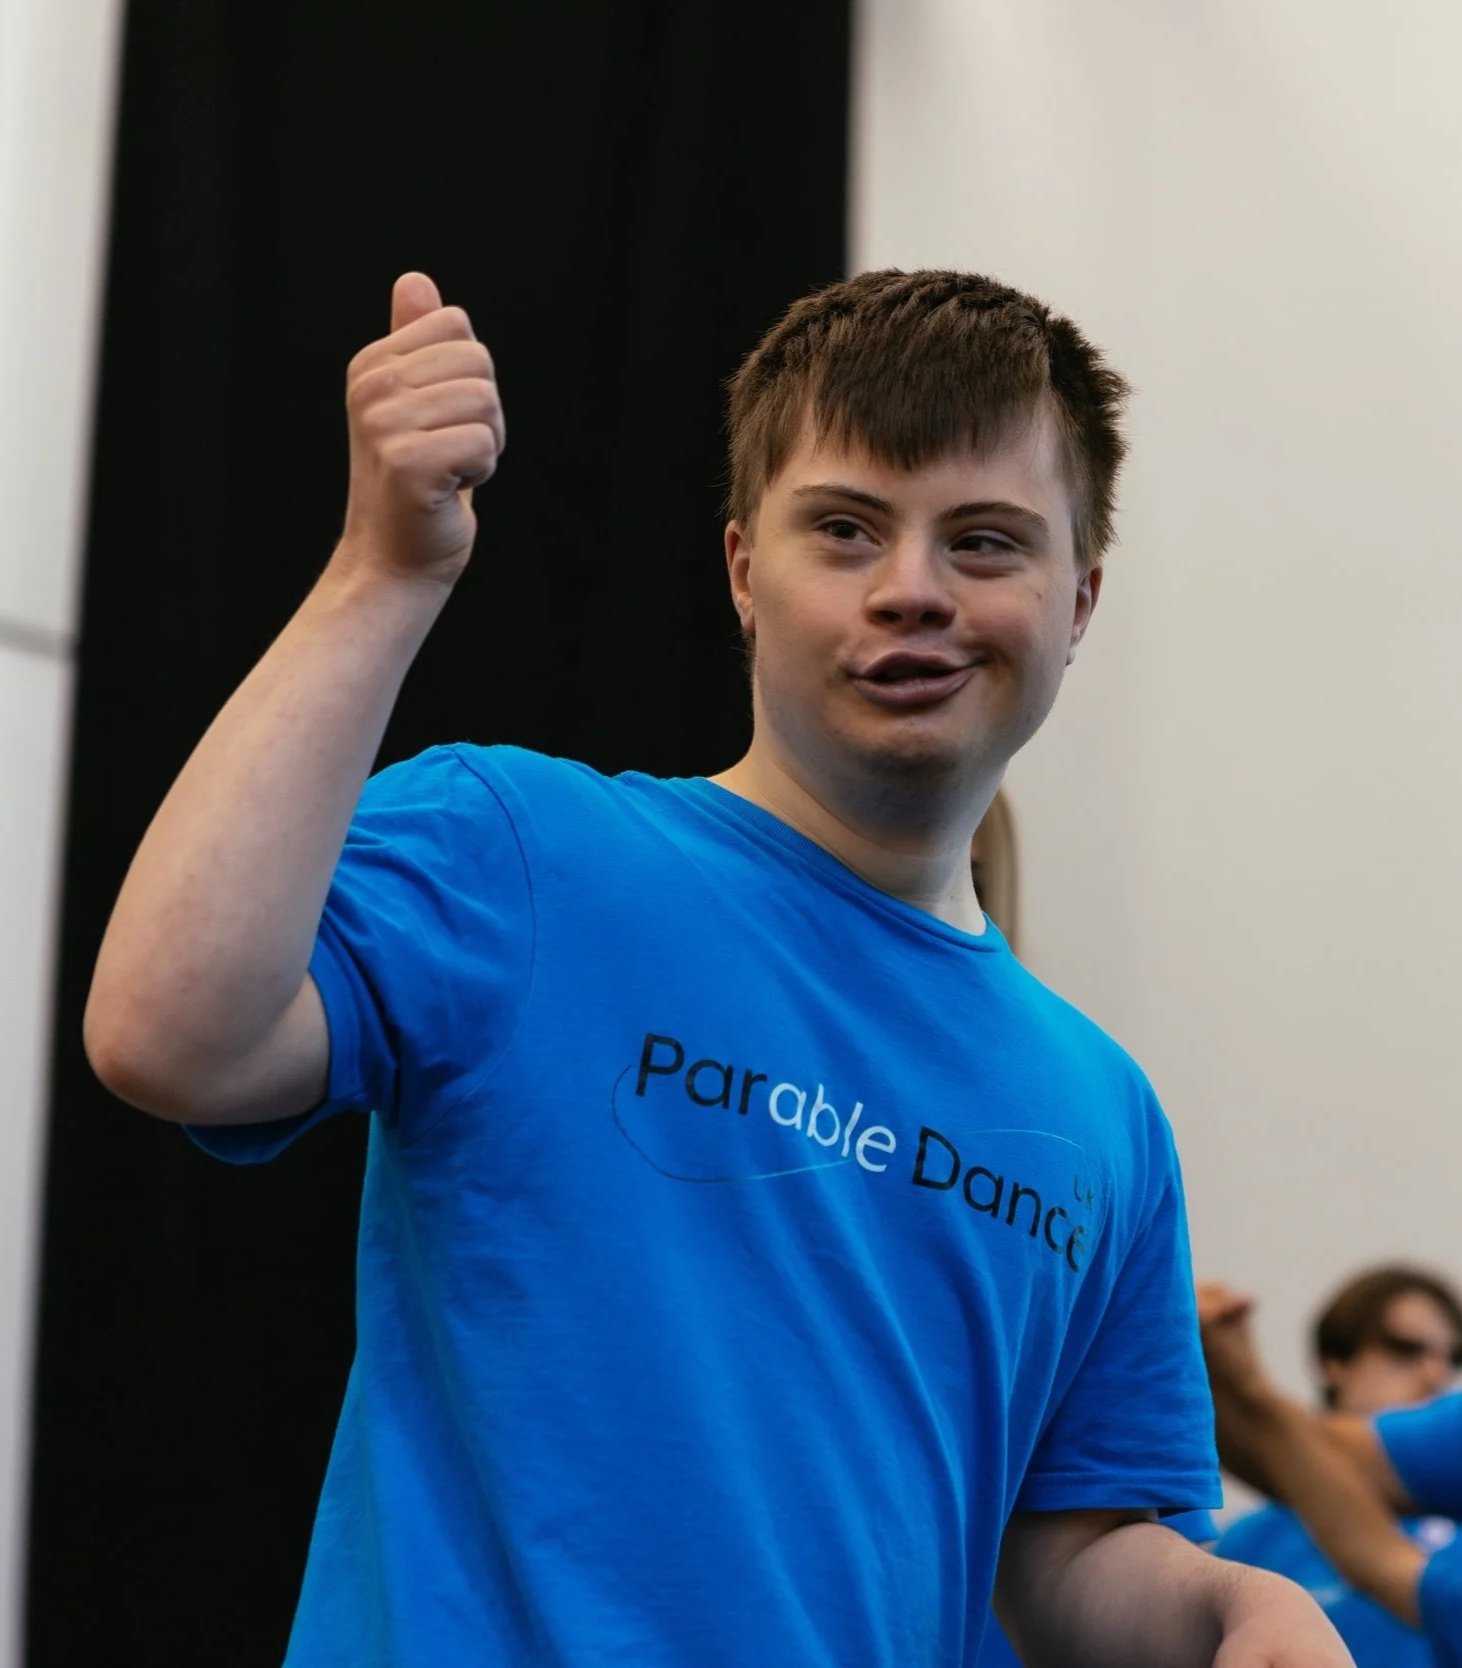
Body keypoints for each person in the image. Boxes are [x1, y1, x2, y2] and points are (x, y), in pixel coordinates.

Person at [84, 267, 1353, 1666]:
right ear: (746, 571)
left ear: (1078, 601)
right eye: (846, 530)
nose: (912, 591)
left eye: (985, 543)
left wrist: (1247, 1602)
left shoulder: (1102, 1115)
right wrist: (382, 571)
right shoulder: (523, 851)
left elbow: (1062, 1559)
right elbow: (169, 1031)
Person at [1207, 1268, 1462, 1666]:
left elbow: (1382, 1562)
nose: (1436, 1373)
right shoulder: (1247, 1543)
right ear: (1335, 1362)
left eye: (1452, 1358)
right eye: (1406, 1350)